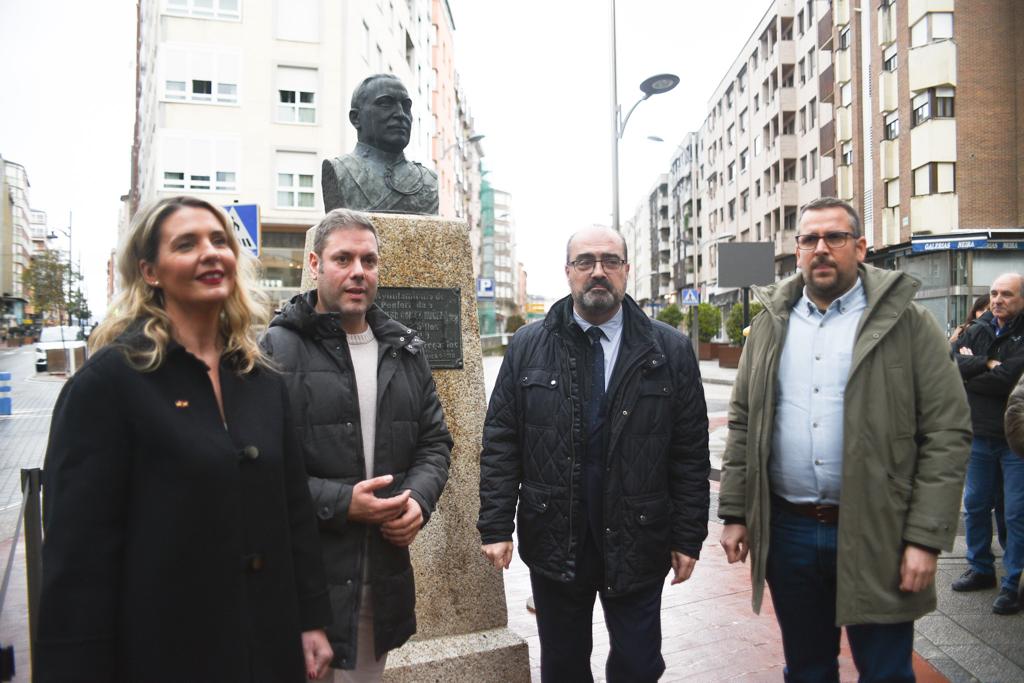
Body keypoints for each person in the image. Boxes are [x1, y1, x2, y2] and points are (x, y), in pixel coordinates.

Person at [36, 196, 333, 682]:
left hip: (267, 646)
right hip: (162, 652)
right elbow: (77, 561)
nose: (211, 253)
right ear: (150, 271)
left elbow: (292, 512)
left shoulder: (260, 379)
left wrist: (311, 621)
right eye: (187, 244)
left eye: (220, 240)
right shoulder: (108, 385)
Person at [719, 197, 971, 682]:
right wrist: (734, 513)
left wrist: (924, 539)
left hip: (880, 531)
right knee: (808, 669)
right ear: (796, 251)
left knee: (885, 672)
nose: (821, 249)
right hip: (789, 532)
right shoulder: (771, 324)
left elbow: (947, 432)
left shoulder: (908, 323)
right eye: (809, 239)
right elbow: (744, 421)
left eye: (834, 237)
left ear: (860, 247)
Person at [478, 226, 710, 682]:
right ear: (568, 272)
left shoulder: (668, 350)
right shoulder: (528, 345)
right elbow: (502, 440)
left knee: (639, 664)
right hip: (556, 533)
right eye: (585, 262)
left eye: (609, 261)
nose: (597, 272)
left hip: (638, 535)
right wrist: (495, 524)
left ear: (627, 270)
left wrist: (687, 536)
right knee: (563, 664)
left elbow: (689, 452)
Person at [261, 208, 452, 681]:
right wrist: (345, 503)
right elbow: (259, 473)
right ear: (314, 264)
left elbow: (435, 442)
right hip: (306, 588)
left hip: (380, 584)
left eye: (368, 260)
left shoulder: (404, 349)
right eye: (342, 259)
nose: (357, 272)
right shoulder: (276, 350)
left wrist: (419, 502)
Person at [950, 272, 1024, 614]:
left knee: (1014, 512)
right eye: (994, 293)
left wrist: (974, 371)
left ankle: (1013, 582)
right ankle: (980, 568)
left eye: (1006, 294)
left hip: (1016, 440)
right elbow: (952, 363)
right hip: (979, 435)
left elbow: (1007, 380)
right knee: (975, 504)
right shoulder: (979, 328)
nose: (997, 300)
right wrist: (987, 363)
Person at [322, 74, 438, 215]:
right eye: (385, 104)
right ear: (356, 118)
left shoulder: (429, 180)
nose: (401, 114)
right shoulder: (339, 170)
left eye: (406, 106)